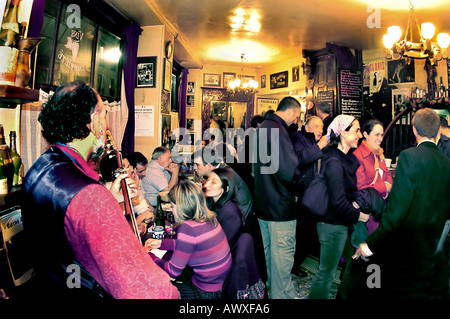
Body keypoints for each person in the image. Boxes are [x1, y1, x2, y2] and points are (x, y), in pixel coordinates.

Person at [21, 81, 178, 299]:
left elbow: (67, 234)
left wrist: (111, 199)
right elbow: (139, 286)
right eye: (104, 115)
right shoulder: (90, 195)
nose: (107, 126)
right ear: (93, 121)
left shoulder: (39, 168)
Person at [354, 108, 450, 299]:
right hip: (436, 247)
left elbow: (397, 210)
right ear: (438, 131)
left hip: (409, 248)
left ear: (414, 129)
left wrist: (370, 244)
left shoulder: (409, 156)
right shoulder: (446, 162)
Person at [308, 115, 370, 299]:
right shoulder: (335, 161)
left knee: (332, 269)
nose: (360, 135)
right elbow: (337, 201)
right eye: (356, 130)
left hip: (337, 223)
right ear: (343, 133)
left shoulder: (343, 157)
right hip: (332, 224)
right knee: (326, 273)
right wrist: (359, 215)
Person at [144, 180, 232, 299]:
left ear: (182, 207)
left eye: (173, 206)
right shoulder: (209, 218)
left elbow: (173, 271)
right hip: (219, 283)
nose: (172, 210)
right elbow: (189, 245)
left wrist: (150, 257)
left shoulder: (188, 227)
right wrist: (161, 243)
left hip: (204, 291)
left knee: (154, 288)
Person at [253, 96, 301, 299]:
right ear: (290, 112)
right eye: (297, 116)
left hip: (263, 204)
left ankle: (273, 290)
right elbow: (290, 172)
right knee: (282, 256)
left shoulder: (262, 127)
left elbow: (255, 169)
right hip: (280, 206)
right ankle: (282, 296)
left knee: (270, 255)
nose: (296, 121)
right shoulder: (279, 131)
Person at [290, 116, 328, 277]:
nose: (320, 130)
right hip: (301, 194)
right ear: (307, 127)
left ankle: (299, 262)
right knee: (301, 233)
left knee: (310, 232)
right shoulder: (298, 138)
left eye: (322, 127)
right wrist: (319, 146)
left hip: (315, 194)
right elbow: (298, 160)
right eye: (317, 126)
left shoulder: (320, 143)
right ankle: (293, 265)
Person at [99, 152, 154, 236]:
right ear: (115, 173)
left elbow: (148, 212)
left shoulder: (128, 187)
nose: (132, 170)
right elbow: (120, 230)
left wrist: (144, 224)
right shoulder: (104, 193)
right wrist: (141, 218)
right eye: (128, 167)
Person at [192, 148, 252, 225]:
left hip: (237, 222)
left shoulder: (225, 176)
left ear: (209, 165)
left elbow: (217, 207)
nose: (194, 168)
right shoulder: (221, 171)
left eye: (197, 164)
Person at [203, 168, 244, 248]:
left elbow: (223, 245)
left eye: (213, 182)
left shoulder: (229, 212)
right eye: (208, 180)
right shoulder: (211, 202)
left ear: (225, 188)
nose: (206, 185)